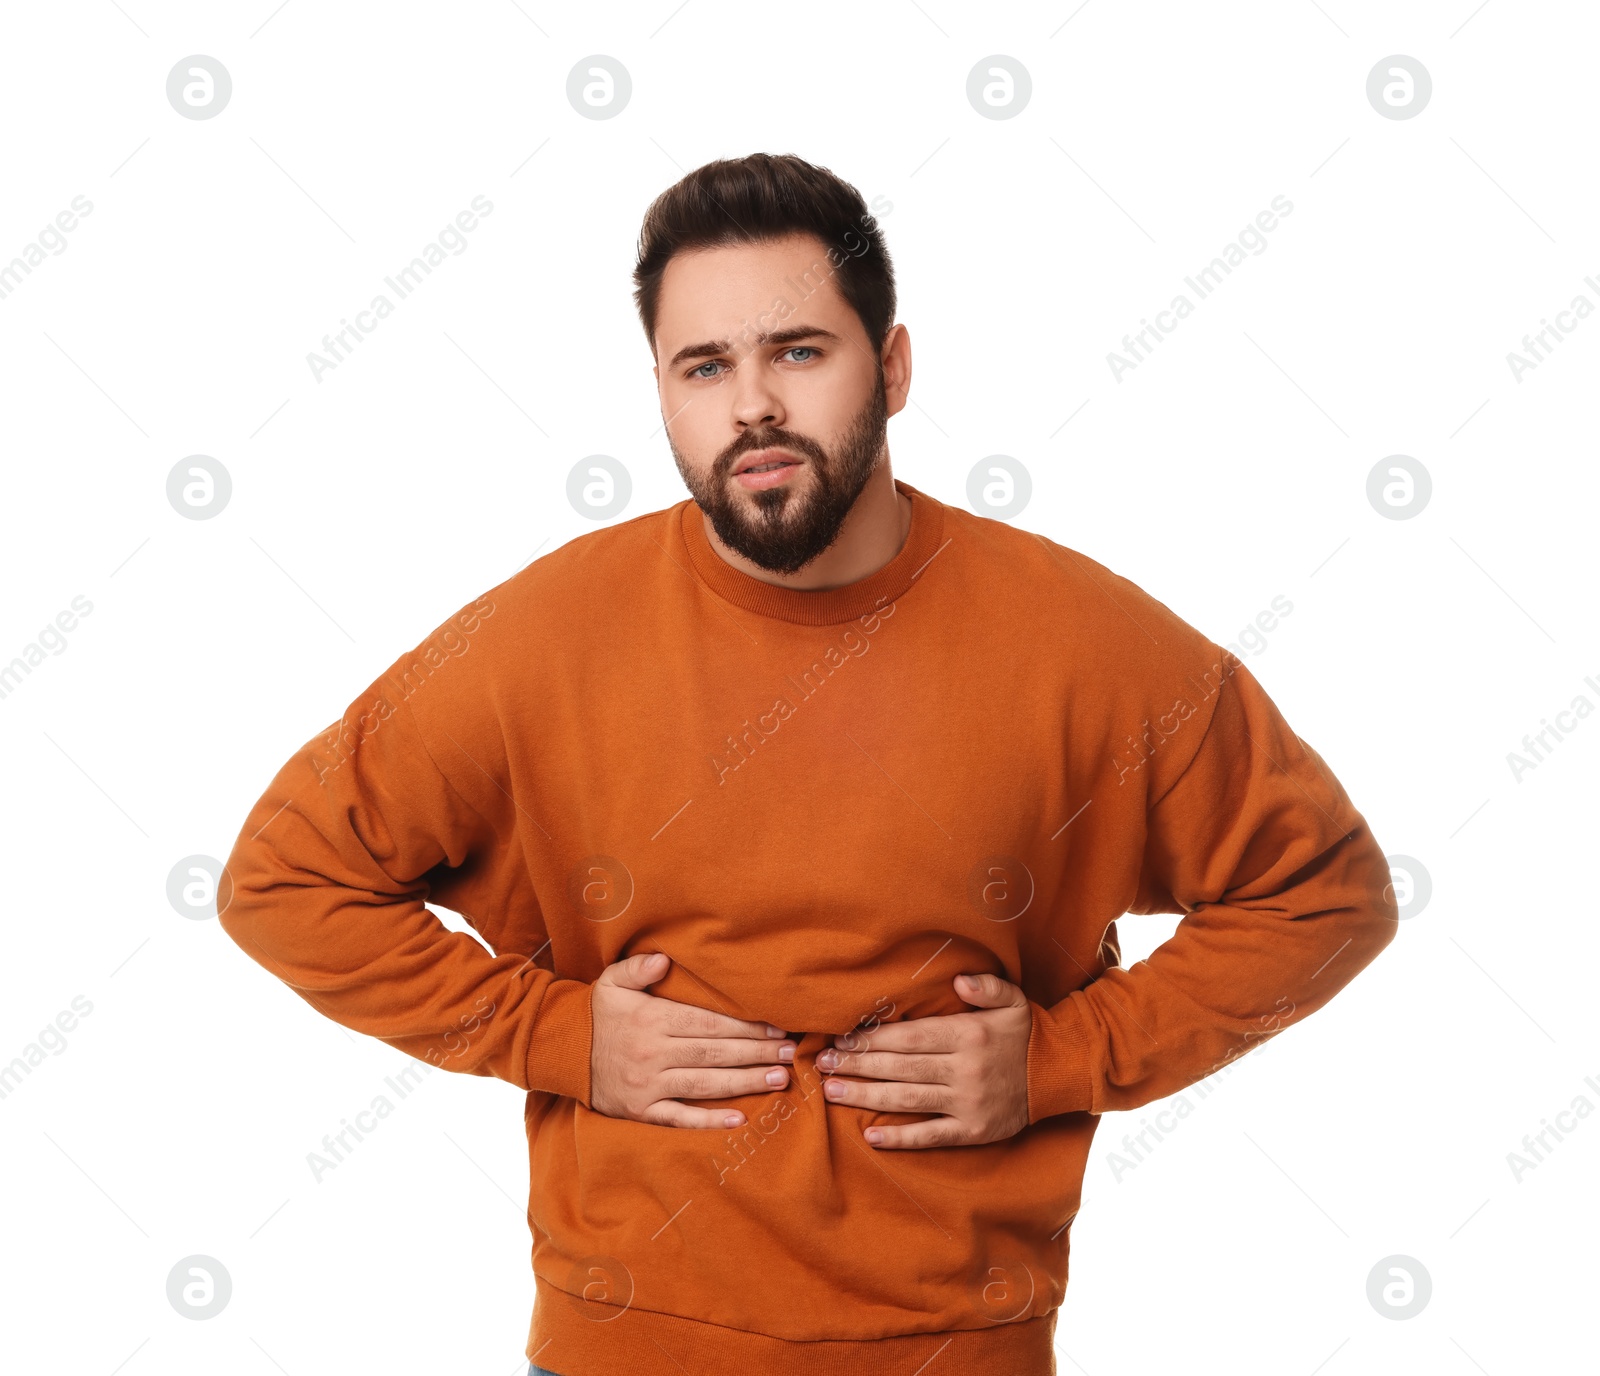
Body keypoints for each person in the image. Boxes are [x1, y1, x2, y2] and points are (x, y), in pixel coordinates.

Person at [217, 152, 1399, 1376]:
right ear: (663, 393)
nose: (751, 408)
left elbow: (1325, 895)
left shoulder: (1086, 644)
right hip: (622, 1342)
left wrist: (1065, 1058)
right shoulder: (545, 635)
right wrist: (554, 1036)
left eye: (796, 351)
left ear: (889, 367)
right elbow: (284, 880)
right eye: (704, 367)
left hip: (957, 1344)